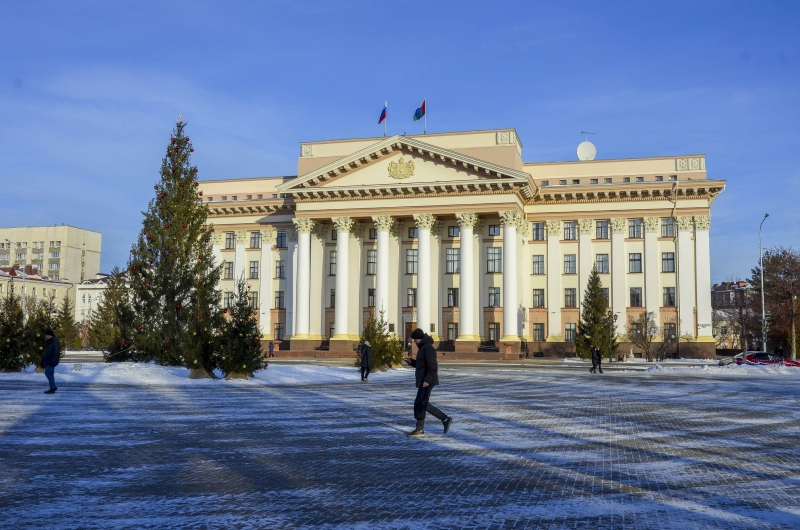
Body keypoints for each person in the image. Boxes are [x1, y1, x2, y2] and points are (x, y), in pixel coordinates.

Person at [403, 328, 452, 438]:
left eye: (415, 340)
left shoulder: (428, 348)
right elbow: (422, 365)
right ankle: (420, 428)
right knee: (420, 403)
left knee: (422, 403)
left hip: (427, 381)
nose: (415, 342)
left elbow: (433, 367)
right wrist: (412, 362)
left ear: (419, 339)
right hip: (424, 380)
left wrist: (427, 381)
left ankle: (444, 419)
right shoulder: (423, 348)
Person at [41, 329, 61, 394]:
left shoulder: (55, 341)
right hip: (49, 360)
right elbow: (47, 353)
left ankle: (53, 387)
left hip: (52, 360)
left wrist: (54, 361)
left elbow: (56, 352)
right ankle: (52, 388)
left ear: (50, 335)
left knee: (47, 373)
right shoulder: (49, 341)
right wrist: (43, 361)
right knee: (50, 373)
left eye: (47, 335)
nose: (46, 336)